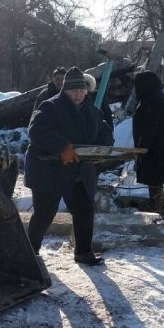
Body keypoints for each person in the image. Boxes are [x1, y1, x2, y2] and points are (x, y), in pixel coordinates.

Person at [25, 67, 113, 266]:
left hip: (80, 170)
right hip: (49, 171)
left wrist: (101, 151)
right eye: (74, 90)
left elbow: (105, 133)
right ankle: (30, 252)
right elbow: (36, 131)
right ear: (65, 90)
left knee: (84, 210)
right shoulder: (50, 107)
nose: (78, 94)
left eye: (81, 90)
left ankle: (83, 252)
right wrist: (62, 146)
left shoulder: (92, 110)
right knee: (45, 213)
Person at [132, 71, 164, 211]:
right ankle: (157, 204)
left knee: (154, 178)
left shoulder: (151, 102)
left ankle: (156, 206)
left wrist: (141, 148)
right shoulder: (154, 98)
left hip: (155, 150)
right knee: (155, 180)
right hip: (159, 148)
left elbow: (149, 128)